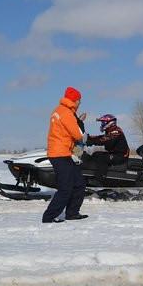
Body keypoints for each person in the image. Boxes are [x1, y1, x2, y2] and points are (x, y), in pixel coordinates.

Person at [42, 86, 88, 223]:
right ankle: (49, 217)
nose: (80, 103)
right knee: (65, 188)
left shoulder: (59, 110)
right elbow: (78, 135)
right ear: (75, 100)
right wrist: (84, 134)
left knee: (79, 183)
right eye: (79, 101)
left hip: (65, 153)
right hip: (60, 154)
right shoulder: (66, 113)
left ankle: (72, 213)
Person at [85, 114, 130, 185]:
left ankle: (98, 180)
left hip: (121, 156)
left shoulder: (116, 132)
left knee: (102, 158)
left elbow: (105, 140)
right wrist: (89, 137)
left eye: (103, 122)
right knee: (96, 153)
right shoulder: (111, 131)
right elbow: (100, 137)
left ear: (109, 123)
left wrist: (91, 142)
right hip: (115, 154)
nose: (102, 124)